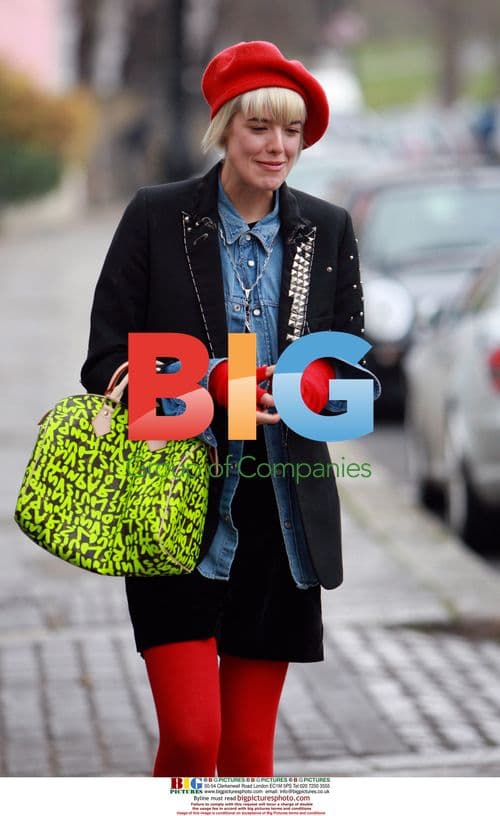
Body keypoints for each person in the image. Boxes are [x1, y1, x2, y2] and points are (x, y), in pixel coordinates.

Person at [80, 40, 378, 777]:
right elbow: (103, 363)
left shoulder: (326, 230)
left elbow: (351, 371)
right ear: (224, 128)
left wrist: (315, 387)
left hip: (281, 520)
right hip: (175, 509)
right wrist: (212, 381)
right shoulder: (157, 218)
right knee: (190, 740)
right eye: (259, 129)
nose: (278, 148)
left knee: (247, 756)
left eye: (293, 132)